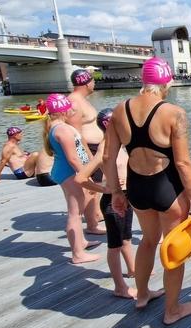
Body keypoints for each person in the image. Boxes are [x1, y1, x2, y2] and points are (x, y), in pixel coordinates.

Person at [103, 57, 191, 324]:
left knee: (148, 241)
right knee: (173, 249)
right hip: (167, 189)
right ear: (166, 82)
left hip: (137, 188)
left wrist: (115, 192)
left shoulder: (118, 110)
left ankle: (143, 294)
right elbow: (183, 163)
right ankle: (172, 310)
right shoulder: (174, 113)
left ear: (143, 81)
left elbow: (107, 158)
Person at [75, 108, 136, 298]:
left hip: (126, 198)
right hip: (112, 201)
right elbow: (81, 177)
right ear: (109, 124)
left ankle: (133, 270)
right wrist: (105, 189)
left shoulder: (121, 145)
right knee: (115, 245)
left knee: (126, 238)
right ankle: (120, 287)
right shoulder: (104, 148)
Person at [42, 93, 100, 264]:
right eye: (69, 108)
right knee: (75, 213)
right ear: (63, 110)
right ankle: (78, 254)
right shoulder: (63, 129)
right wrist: (85, 178)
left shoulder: (55, 127)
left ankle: (80, 242)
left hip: (64, 172)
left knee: (77, 210)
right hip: (68, 173)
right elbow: (73, 158)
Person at [68, 68, 105, 235]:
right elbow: (76, 135)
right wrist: (88, 157)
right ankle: (92, 224)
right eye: (92, 80)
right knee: (91, 185)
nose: (94, 83)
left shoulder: (82, 100)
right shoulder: (75, 103)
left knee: (97, 184)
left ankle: (96, 214)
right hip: (88, 149)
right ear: (86, 82)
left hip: (94, 147)